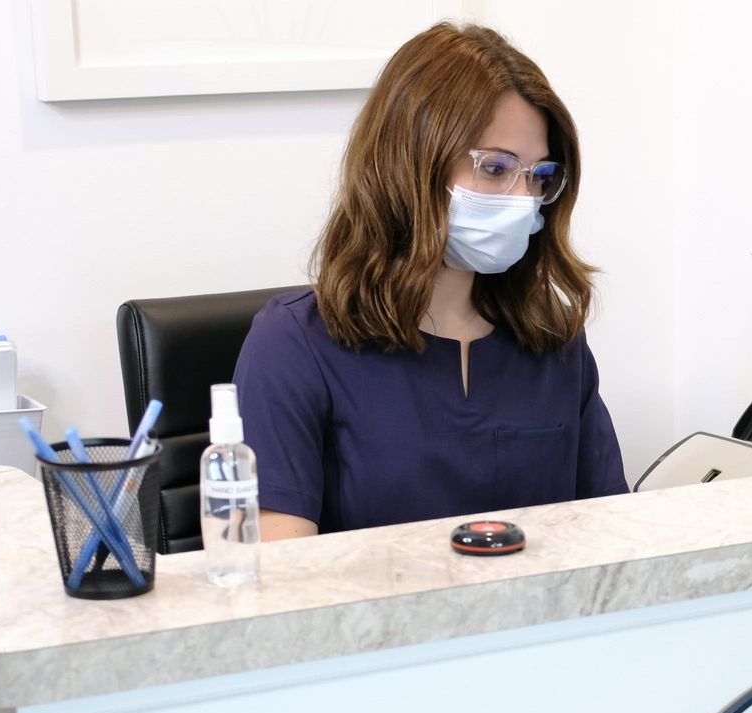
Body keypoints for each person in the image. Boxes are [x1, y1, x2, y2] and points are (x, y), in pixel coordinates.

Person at [234, 22, 626, 540]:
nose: (522, 199)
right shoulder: (294, 345)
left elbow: (611, 536)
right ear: (408, 164)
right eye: (495, 168)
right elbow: (279, 574)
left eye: (538, 176)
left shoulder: (553, 339)